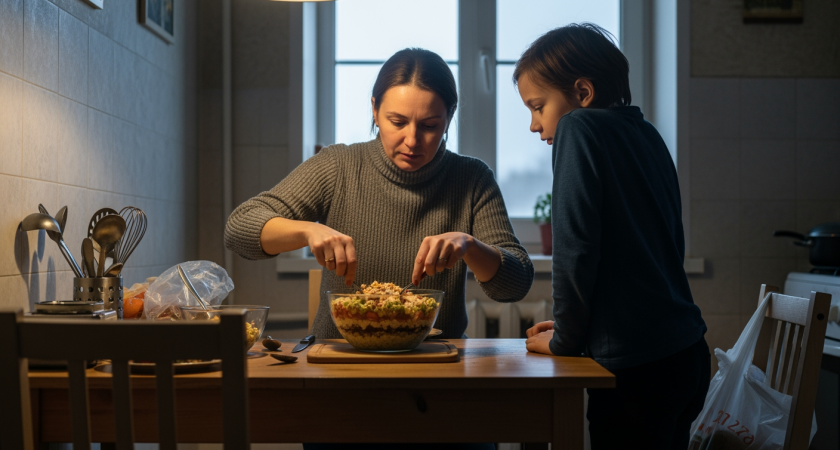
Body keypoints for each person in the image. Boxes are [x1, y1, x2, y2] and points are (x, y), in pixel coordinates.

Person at [225, 47, 534, 342]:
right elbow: (239, 229)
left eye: (429, 125)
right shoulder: (338, 166)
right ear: (374, 110)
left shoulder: (472, 179)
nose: (412, 140)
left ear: (449, 117)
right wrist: (307, 230)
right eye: (397, 122)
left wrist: (470, 245)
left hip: (437, 360)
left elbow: (515, 285)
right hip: (338, 360)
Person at [516, 24, 709, 450]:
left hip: (637, 371)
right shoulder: (648, 134)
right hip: (687, 353)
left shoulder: (578, 129)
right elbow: (664, 245)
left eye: (537, 106)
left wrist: (567, 341)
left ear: (582, 93)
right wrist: (578, 329)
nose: (534, 125)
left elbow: (576, 249)